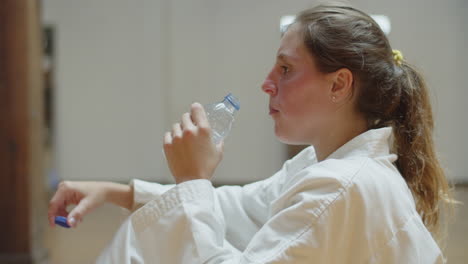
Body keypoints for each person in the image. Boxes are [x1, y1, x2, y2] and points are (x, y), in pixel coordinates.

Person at [48, 3, 452, 263]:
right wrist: (117, 192)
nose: (266, 83)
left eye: (286, 69)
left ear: (339, 85)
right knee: (137, 239)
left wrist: (193, 179)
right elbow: (241, 208)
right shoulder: (327, 165)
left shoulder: (342, 186)